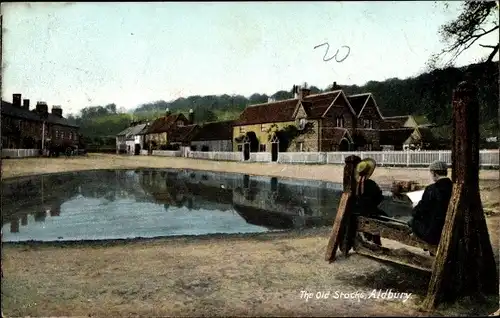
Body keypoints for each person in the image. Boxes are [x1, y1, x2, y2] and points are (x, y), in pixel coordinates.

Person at [407, 160, 453, 249]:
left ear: (434, 173)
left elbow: (420, 210)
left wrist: (414, 209)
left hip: (434, 233)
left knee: (413, 221)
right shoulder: (454, 187)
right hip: (450, 228)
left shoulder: (431, 189)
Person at [354, 158, 388, 246]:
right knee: (384, 216)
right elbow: (379, 198)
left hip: (357, 211)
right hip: (370, 213)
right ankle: (376, 240)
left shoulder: (354, 184)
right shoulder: (371, 184)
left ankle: (367, 237)